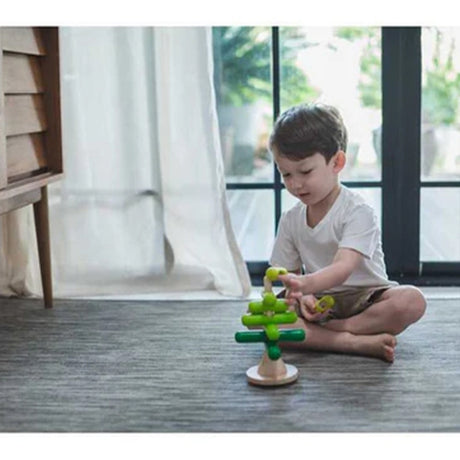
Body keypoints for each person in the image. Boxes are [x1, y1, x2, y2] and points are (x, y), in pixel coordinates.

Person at [269, 103, 426, 362]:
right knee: (267, 317)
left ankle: (338, 331)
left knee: (412, 301)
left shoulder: (357, 210)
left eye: (305, 171)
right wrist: (304, 295)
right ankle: (352, 343)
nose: (295, 184)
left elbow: (344, 267)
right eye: (286, 174)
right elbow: (289, 272)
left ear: (337, 162)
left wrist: (307, 284)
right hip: (318, 301)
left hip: (365, 299)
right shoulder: (290, 219)